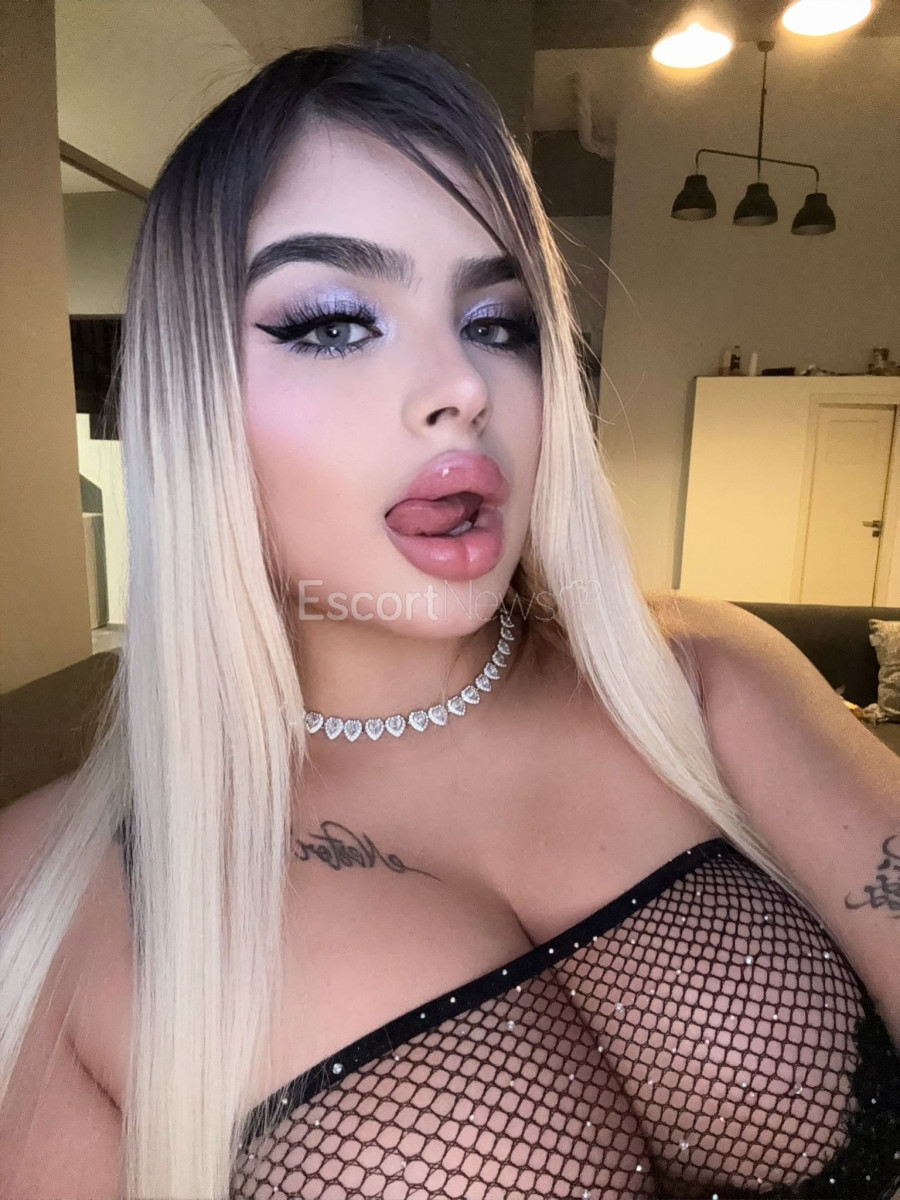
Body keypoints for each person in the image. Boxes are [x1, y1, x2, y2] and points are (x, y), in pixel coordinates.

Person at [1, 38, 898, 1200]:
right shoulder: (51, 897)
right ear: (191, 397)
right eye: (333, 322)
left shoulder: (707, 679)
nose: (464, 388)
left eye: (500, 321)